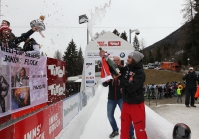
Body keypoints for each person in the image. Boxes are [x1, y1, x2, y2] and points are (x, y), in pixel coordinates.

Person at [102, 56, 134, 139]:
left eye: (117, 60)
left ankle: (131, 133)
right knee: (109, 115)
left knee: (126, 116)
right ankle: (115, 130)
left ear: (120, 61)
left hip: (121, 98)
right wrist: (106, 81)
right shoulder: (109, 70)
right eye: (114, 60)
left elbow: (129, 81)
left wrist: (124, 87)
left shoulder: (123, 70)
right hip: (111, 98)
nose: (116, 61)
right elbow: (104, 84)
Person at [119, 51, 147, 139]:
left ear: (135, 60)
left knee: (140, 131)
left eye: (129, 58)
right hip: (126, 104)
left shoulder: (140, 73)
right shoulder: (127, 68)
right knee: (123, 131)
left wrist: (121, 78)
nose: (127, 59)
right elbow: (115, 68)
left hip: (137, 106)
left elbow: (132, 87)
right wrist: (105, 58)